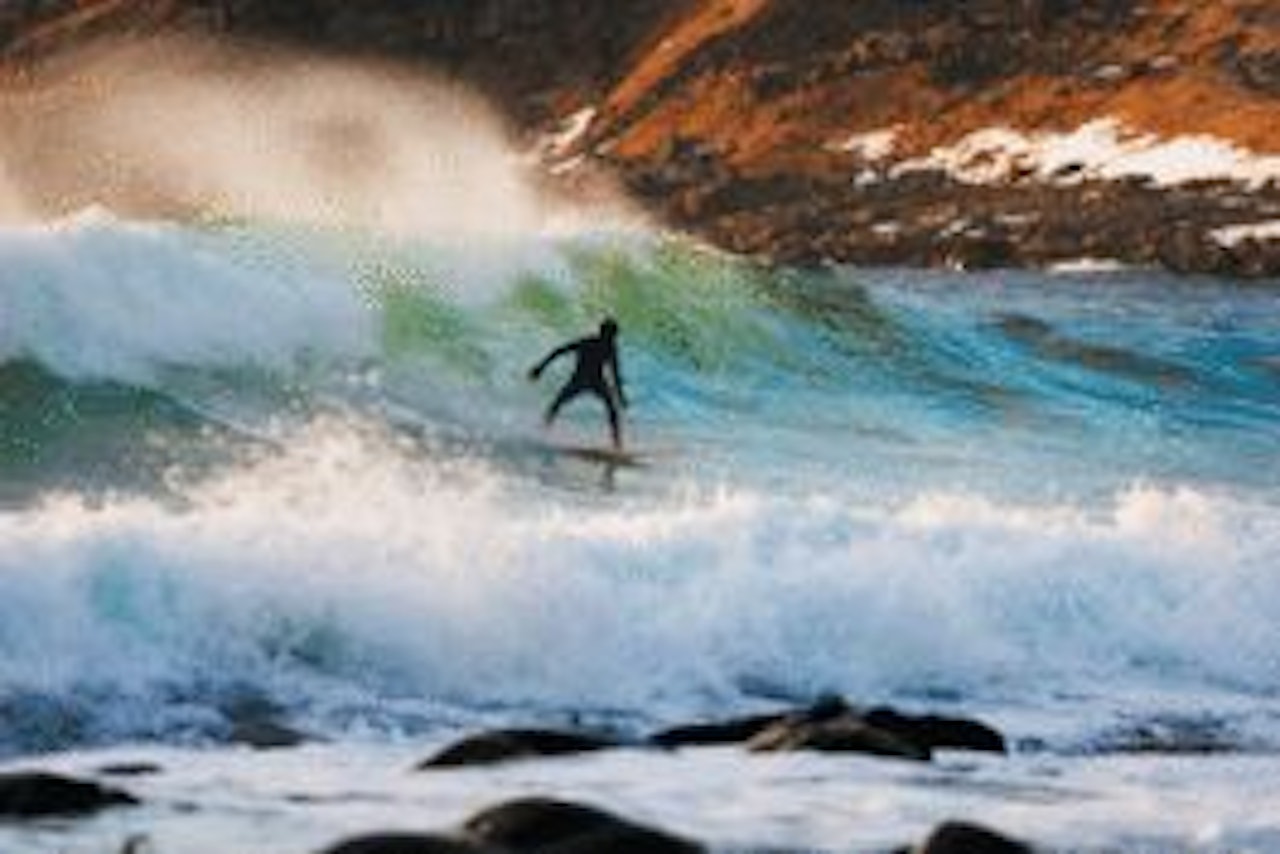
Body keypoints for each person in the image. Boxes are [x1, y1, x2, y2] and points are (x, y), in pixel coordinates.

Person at [528, 317, 628, 450]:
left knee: (612, 410)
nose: (612, 338)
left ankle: (617, 446)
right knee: (556, 404)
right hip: (579, 380)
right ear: (603, 333)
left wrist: (620, 395)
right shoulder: (587, 342)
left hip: (597, 381)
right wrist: (541, 367)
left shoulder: (611, 348)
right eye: (610, 335)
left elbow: (615, 372)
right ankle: (541, 432)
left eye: (613, 336)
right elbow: (560, 351)